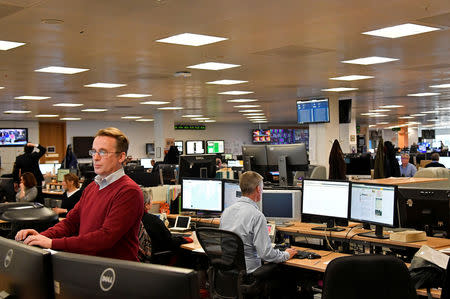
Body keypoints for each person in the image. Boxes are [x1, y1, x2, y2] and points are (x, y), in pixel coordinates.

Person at [15, 127, 144, 261]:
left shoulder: (129, 191)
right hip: (89, 266)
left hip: (116, 273)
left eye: (103, 152)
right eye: (93, 151)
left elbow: (105, 238)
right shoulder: (92, 187)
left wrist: (52, 243)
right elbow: (71, 223)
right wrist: (42, 236)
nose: (96, 157)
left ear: (121, 157)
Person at [220, 171, 297, 297]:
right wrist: (286, 254)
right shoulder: (257, 216)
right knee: (287, 273)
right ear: (258, 189)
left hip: (229, 273)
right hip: (250, 276)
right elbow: (266, 254)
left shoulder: (226, 212)